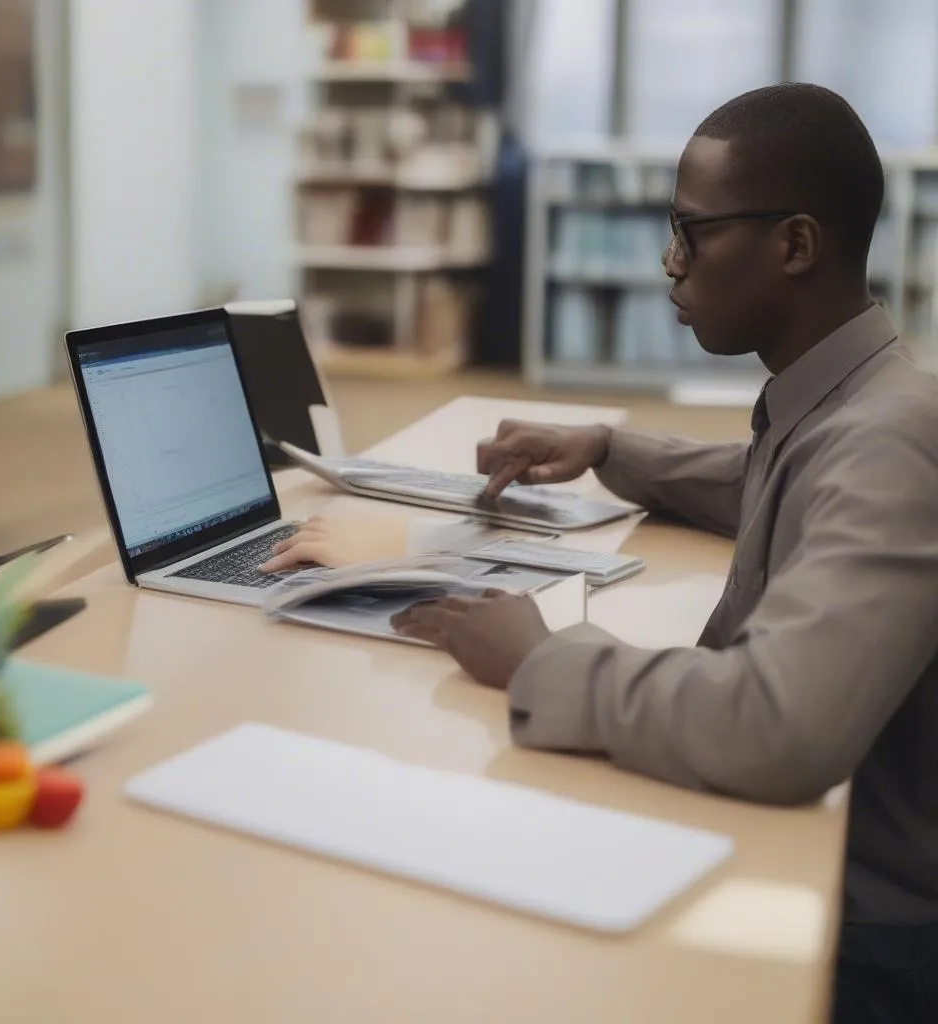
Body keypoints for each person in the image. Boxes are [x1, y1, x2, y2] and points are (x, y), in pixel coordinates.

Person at [267, 84, 938, 1021]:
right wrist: (614, 450)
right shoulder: (851, 404)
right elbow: (771, 479)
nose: (671, 263)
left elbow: (780, 729)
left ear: (794, 245)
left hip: (863, 940)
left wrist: (544, 658)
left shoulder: (890, 441)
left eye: (693, 233)